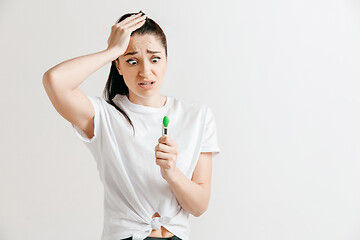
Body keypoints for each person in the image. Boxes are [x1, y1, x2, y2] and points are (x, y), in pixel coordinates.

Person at [42, 10, 221, 240]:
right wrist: (112, 50)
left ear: (166, 59)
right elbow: (54, 81)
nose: (145, 71)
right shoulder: (103, 117)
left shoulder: (198, 116)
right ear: (118, 66)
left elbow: (199, 207)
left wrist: (172, 174)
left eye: (155, 59)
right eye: (132, 60)